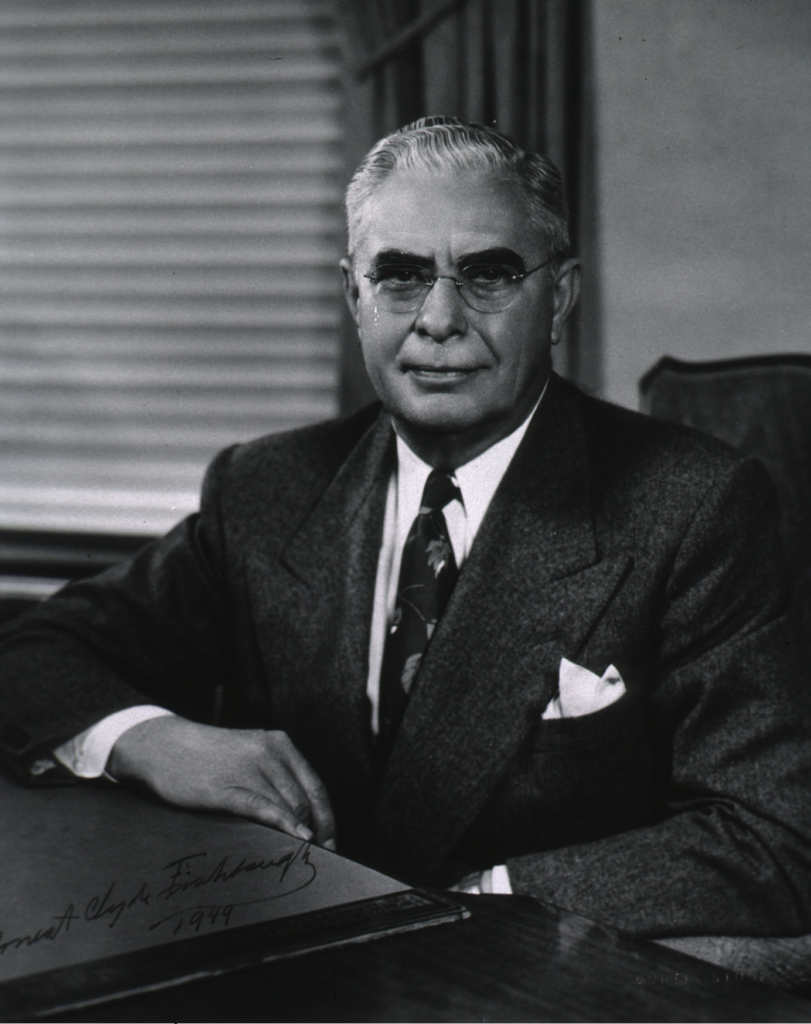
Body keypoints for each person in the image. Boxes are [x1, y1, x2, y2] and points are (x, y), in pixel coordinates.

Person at [1, 116, 810, 938]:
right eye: (401, 276)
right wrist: (151, 738)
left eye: (488, 275)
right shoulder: (266, 486)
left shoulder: (692, 503)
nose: (439, 319)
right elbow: (34, 655)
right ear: (354, 296)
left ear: (559, 296)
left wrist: (490, 897)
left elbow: (773, 838)